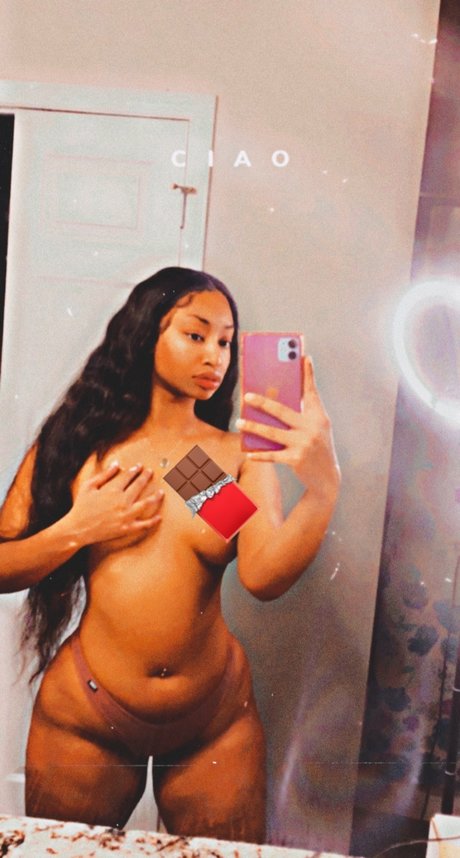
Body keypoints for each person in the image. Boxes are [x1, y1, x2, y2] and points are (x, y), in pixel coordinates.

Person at [0, 267, 340, 843]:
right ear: (145, 333)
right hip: (88, 715)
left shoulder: (204, 467)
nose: (215, 356)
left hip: (212, 722)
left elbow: (262, 575)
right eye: (196, 334)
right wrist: (78, 529)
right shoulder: (84, 447)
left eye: (226, 342)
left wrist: (324, 487)